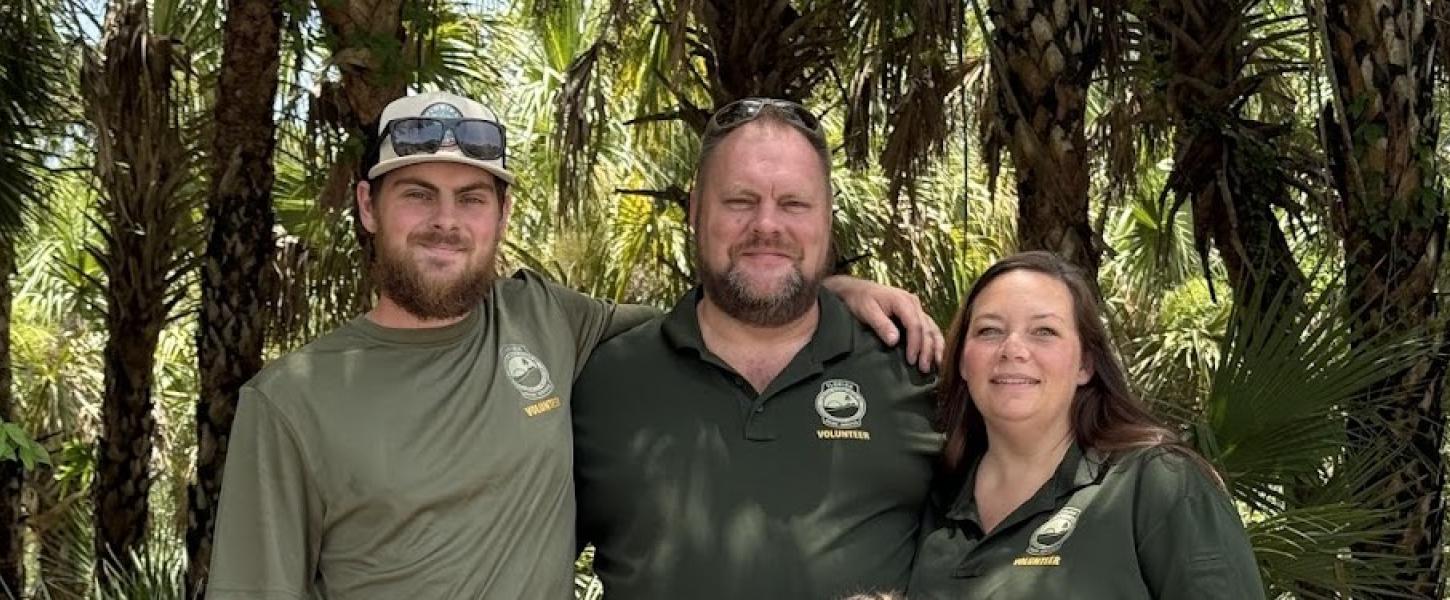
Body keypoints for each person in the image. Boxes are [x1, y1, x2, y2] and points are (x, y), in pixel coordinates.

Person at [205, 91, 939, 599]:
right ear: (368, 206)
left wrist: (834, 289)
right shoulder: (291, 399)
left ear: (501, 212)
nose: (445, 221)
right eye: (416, 194)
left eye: (471, 198)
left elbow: (738, 302)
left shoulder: (547, 324)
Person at [572, 98, 943, 599]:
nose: (767, 225)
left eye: (793, 203)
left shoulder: (915, 372)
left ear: (826, 219)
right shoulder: (603, 381)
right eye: (740, 201)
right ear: (695, 210)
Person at [908, 251, 1265, 599]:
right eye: (989, 331)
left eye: (1044, 331)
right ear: (963, 363)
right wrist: (852, 290)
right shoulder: (933, 495)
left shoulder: (1157, 483)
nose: (1012, 348)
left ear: (1085, 364)